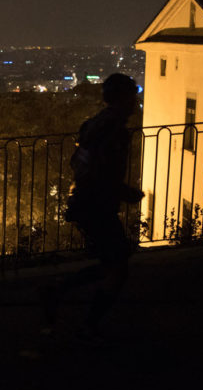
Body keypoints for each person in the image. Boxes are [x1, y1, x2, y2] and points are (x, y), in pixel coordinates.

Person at [42, 73, 143, 342]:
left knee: (112, 262)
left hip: (86, 202)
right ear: (124, 98)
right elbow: (103, 173)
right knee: (118, 266)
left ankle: (60, 293)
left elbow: (81, 163)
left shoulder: (95, 124)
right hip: (97, 204)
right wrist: (126, 192)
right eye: (133, 97)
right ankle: (85, 322)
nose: (136, 103)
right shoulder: (115, 132)